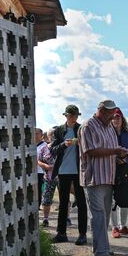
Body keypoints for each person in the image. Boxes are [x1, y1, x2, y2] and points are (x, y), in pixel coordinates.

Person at [78, 100, 128, 256]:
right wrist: (114, 151)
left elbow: (111, 151)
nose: (112, 116)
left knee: (105, 216)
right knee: (98, 215)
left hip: (108, 177)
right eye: (110, 113)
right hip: (94, 178)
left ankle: (100, 247)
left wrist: (119, 157)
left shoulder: (109, 127)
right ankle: (101, 251)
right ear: (101, 110)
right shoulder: (88, 126)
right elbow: (90, 150)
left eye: (114, 113)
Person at [51, 105, 88, 245]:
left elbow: (88, 147)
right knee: (63, 203)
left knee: (81, 203)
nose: (74, 118)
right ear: (65, 116)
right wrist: (63, 145)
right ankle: (61, 233)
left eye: (76, 116)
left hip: (79, 172)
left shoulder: (81, 129)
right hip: (63, 172)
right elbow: (53, 151)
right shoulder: (59, 130)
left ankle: (82, 234)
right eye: (71, 116)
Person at [110, 108, 128, 238]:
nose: (116, 119)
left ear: (122, 119)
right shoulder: (108, 133)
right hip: (111, 169)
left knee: (125, 197)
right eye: (114, 117)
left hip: (126, 169)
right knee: (112, 199)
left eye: (118, 117)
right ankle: (114, 227)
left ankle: (123, 226)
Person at [38, 126, 58, 227]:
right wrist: (44, 166)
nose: (53, 137)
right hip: (49, 177)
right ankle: (45, 219)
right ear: (48, 136)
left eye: (55, 134)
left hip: (62, 176)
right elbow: (38, 160)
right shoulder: (44, 148)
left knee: (65, 198)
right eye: (51, 135)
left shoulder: (64, 146)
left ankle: (66, 218)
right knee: (46, 199)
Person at [35, 128, 47, 208]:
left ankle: (38, 207)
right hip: (31, 172)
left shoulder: (44, 146)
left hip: (40, 172)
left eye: (37, 133)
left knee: (38, 191)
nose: (35, 135)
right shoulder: (30, 145)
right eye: (34, 133)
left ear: (41, 136)